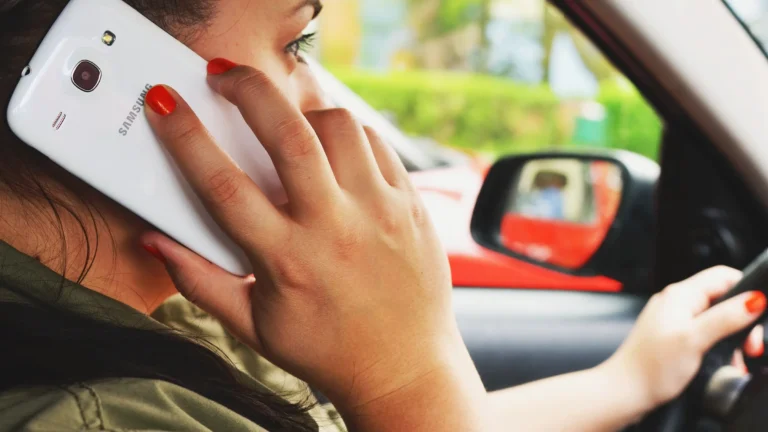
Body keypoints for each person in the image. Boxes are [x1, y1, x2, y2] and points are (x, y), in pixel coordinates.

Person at [0, 1, 765, 431]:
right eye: (296, 41)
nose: (329, 107)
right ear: (127, 68)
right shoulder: (100, 420)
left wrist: (627, 378)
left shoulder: (174, 308)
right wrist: (407, 370)